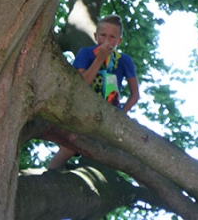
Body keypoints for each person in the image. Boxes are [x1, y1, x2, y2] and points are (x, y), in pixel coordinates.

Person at [48, 14, 140, 170]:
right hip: (84, 112)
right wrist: (99, 59)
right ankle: (50, 175)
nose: (106, 40)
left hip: (111, 116)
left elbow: (135, 95)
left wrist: (122, 114)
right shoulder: (86, 53)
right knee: (69, 147)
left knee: (133, 153)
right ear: (96, 36)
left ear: (119, 41)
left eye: (112, 37)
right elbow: (80, 85)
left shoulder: (124, 60)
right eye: (103, 35)